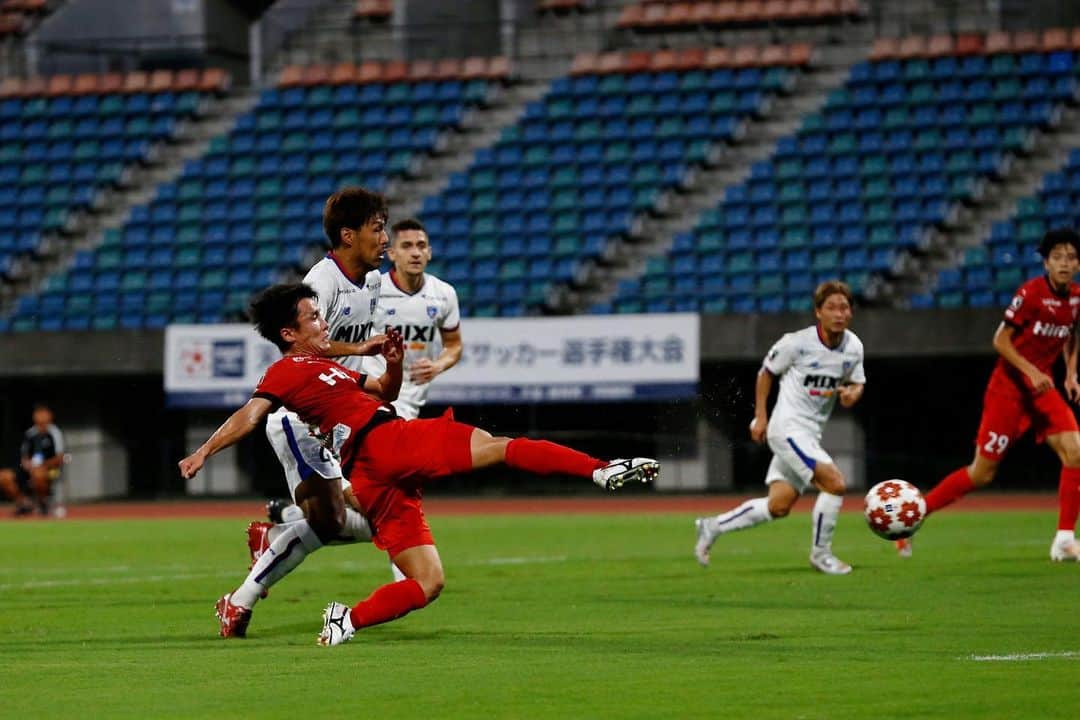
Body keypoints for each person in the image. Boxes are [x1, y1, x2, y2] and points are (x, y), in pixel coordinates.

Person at [178, 282, 659, 642]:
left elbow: (385, 391)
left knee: (428, 582)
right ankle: (600, 468)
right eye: (314, 318)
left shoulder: (330, 367)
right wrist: (203, 450)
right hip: (387, 443)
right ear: (289, 332)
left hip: (372, 473)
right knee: (498, 445)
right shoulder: (284, 370)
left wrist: (392, 363)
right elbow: (250, 414)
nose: (324, 323)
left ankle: (346, 620)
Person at [220, 187, 399, 637]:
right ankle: (409, 583)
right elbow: (306, 347)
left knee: (347, 517)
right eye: (377, 229)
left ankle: (279, 534)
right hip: (303, 419)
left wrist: (376, 383)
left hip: (345, 417)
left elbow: (351, 355)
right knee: (373, 508)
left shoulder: (373, 282)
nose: (385, 239)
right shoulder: (322, 282)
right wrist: (360, 349)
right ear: (347, 235)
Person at [897, 229, 1080, 562]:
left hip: (1042, 390)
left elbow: (1071, 332)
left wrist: (1070, 372)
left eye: (1071, 257)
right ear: (1046, 262)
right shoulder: (1031, 294)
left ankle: (1065, 538)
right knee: (981, 473)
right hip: (1009, 389)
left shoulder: (1076, 297)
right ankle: (915, 518)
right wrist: (1031, 370)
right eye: (1057, 257)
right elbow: (1000, 341)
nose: (1064, 264)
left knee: (1075, 449)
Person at [693, 280, 866, 575]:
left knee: (779, 505)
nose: (839, 313)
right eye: (831, 307)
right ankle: (821, 554)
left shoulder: (853, 347)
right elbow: (766, 373)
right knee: (835, 483)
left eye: (844, 307)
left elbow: (857, 381)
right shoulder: (796, 342)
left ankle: (712, 526)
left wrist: (853, 392)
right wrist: (761, 416)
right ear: (818, 312)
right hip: (787, 428)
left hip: (810, 433)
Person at [368, 218, 463, 420]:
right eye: (406, 246)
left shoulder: (444, 293)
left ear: (429, 252)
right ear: (392, 253)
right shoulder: (372, 290)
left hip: (412, 395)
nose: (415, 253)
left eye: (421, 246)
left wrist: (437, 365)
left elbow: (454, 345)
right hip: (376, 387)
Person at [0, 403, 65, 517]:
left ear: (49, 419)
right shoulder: (30, 434)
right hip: (30, 469)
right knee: (4, 476)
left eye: (44, 422)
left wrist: (42, 465)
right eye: (38, 422)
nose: (41, 425)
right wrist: (27, 464)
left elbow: (59, 458)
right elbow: (24, 456)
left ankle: (43, 503)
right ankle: (24, 504)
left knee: (38, 474)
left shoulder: (55, 433)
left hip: (50, 470)